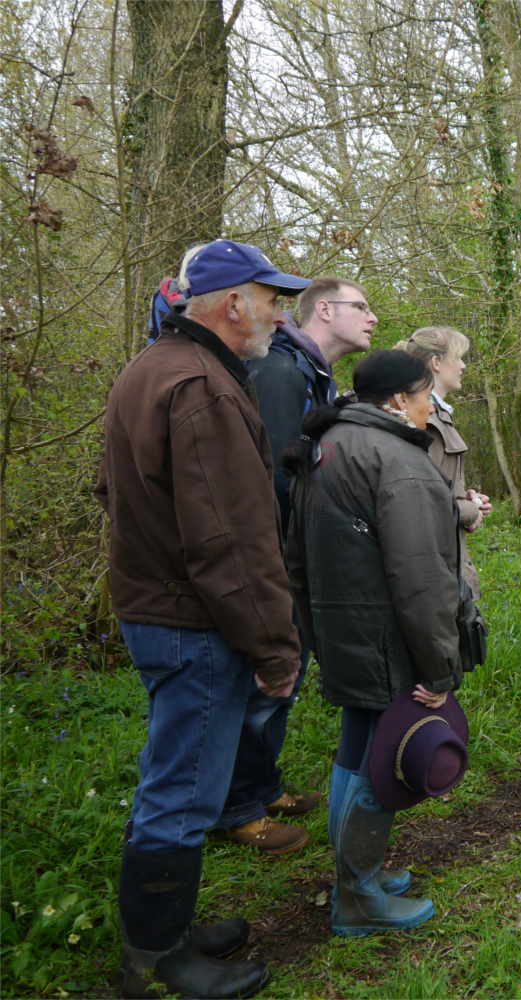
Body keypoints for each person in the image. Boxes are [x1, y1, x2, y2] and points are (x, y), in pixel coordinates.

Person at [97, 239, 308, 998]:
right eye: (273, 300)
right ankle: (157, 963)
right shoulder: (205, 387)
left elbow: (115, 494)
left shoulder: (151, 369)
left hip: (161, 609)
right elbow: (232, 540)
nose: (280, 316)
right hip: (196, 622)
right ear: (230, 305)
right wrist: (274, 648)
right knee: (182, 789)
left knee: (176, 778)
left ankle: (167, 932)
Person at [285, 350, 463, 937]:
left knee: (356, 748)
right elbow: (421, 574)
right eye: (422, 396)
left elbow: (295, 557)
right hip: (386, 635)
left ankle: (358, 875)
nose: (427, 409)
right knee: (380, 762)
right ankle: (357, 896)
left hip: (342, 628)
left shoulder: (327, 444)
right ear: (396, 401)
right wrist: (440, 666)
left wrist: (313, 629)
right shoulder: (397, 459)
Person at [215, 276, 380, 857]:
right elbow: (278, 476)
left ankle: (262, 789)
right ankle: (239, 808)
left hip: (296, 555)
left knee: (282, 679)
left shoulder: (314, 374)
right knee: (265, 682)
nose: (374, 319)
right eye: (362, 307)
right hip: (276, 559)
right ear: (326, 310)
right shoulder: (283, 373)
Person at [394, 327, 492, 601]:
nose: (462, 366)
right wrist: (470, 510)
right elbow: (420, 499)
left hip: (445, 558)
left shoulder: (438, 416)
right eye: (458, 357)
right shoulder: (423, 420)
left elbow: (439, 485)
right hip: (432, 570)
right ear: (436, 363)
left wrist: (468, 500)